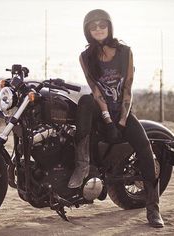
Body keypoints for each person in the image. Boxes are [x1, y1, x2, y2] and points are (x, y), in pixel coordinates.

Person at [68, 9, 164, 228]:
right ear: (88, 31)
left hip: (123, 111)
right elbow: (96, 91)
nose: (99, 29)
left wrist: (121, 121)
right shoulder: (85, 57)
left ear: (109, 27)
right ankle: (82, 166)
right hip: (102, 111)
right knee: (85, 102)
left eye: (102, 25)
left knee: (145, 148)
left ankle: (153, 209)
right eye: (93, 26)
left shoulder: (124, 51)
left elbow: (127, 88)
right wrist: (107, 120)